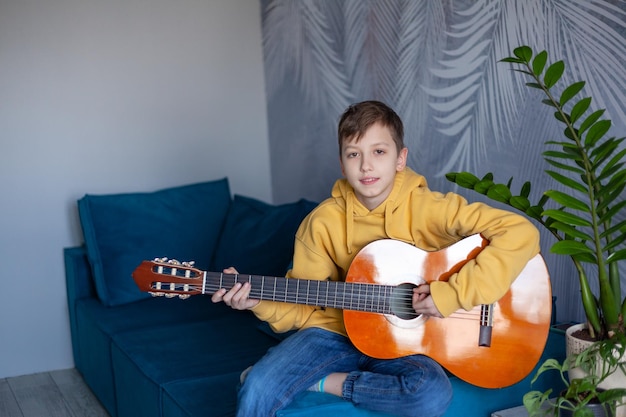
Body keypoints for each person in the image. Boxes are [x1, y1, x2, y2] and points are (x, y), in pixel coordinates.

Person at [211, 100, 540, 417]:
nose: (366, 165)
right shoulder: (322, 222)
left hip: (405, 344)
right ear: (342, 163)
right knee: (257, 386)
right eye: (353, 154)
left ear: (400, 158)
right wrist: (255, 301)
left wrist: (453, 294)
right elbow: (301, 303)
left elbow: (520, 232)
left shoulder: (429, 209)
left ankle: (323, 382)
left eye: (378, 152)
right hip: (331, 335)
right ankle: (303, 374)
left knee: (430, 392)